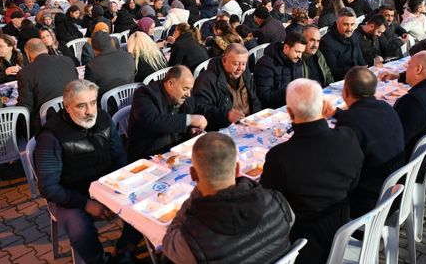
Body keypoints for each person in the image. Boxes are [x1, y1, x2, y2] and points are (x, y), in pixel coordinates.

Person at [261, 79, 363, 264]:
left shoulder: (280, 156)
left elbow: (267, 206)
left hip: (301, 242)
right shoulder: (348, 137)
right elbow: (354, 182)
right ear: (324, 106)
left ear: (290, 113)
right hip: (340, 225)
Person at [34, 79, 127, 264]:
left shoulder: (103, 118)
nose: (90, 111)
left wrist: (116, 190)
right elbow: (48, 188)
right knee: (80, 228)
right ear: (67, 107)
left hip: (105, 186)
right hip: (70, 196)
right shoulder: (51, 137)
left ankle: (126, 250)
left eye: (93, 103)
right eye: (81, 106)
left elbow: (119, 157)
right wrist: (86, 204)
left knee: (141, 202)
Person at [163, 132, 294, 264]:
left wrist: (195, 195)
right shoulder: (277, 201)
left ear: (193, 174)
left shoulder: (190, 241)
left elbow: (168, 242)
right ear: (237, 169)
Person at [324, 67, 405, 218]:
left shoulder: (351, 124)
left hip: (368, 203)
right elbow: (364, 119)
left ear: (345, 92)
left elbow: (340, 172)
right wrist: (336, 113)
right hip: (393, 192)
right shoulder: (386, 107)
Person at [127, 65, 207, 161]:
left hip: (177, 152)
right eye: (185, 89)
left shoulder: (185, 98)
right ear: (170, 84)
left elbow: (193, 111)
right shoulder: (145, 94)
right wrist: (190, 120)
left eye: (190, 89)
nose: (189, 94)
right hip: (150, 156)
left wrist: (191, 130)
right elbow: (154, 121)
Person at [193, 43, 261, 130]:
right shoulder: (207, 79)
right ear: (224, 61)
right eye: (236, 64)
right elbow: (200, 109)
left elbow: (255, 99)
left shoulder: (245, 73)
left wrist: (257, 118)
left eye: (244, 64)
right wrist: (226, 115)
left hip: (250, 123)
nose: (240, 68)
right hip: (225, 128)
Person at [16, 39, 77, 133]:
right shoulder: (67, 60)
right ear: (46, 49)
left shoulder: (25, 73)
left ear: (27, 54)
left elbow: (26, 106)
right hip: (74, 113)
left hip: (47, 122)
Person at [254, 31, 308, 109]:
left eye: (301, 52)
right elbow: (264, 97)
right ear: (286, 47)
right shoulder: (266, 64)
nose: (299, 56)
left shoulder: (297, 61)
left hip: (292, 105)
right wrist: (290, 91)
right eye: (297, 51)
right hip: (273, 110)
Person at [85, 31, 136, 99]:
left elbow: (88, 90)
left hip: (107, 106)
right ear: (111, 43)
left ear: (94, 48)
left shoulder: (92, 66)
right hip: (130, 99)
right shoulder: (129, 56)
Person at [319, 7, 366, 80]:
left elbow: (361, 60)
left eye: (352, 24)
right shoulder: (326, 42)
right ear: (337, 23)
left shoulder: (353, 35)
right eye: (346, 24)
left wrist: (364, 70)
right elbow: (332, 71)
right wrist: (357, 71)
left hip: (357, 77)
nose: (350, 29)